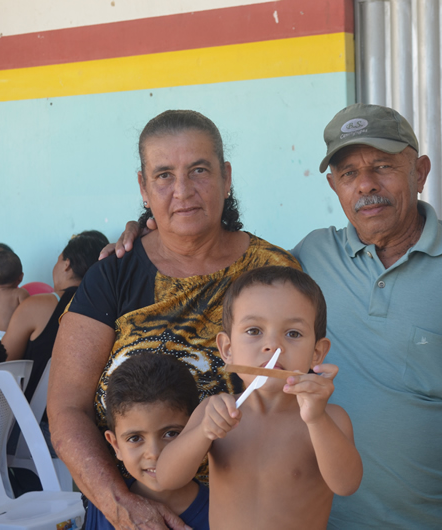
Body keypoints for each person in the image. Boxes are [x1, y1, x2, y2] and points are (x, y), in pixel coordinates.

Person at [109, 103, 442, 529]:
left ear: (420, 171)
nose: (366, 185)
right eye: (349, 173)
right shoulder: (309, 258)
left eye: (383, 166)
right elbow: (241, 281)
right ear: (333, 185)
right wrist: (148, 237)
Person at [48, 110, 300, 530]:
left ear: (226, 177)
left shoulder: (273, 273)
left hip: (245, 511)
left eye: (199, 170)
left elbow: (294, 403)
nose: (182, 191)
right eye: (164, 175)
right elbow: (66, 409)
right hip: (121, 511)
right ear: (143, 188)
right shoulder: (112, 275)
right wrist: (121, 506)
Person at [156, 266, 362, 528]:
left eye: (293, 333)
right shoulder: (214, 411)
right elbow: (167, 478)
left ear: (316, 353)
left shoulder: (330, 418)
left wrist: (317, 419)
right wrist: (203, 432)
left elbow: (347, 485)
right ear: (227, 349)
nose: (273, 346)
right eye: (254, 330)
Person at [85, 353, 209, 530]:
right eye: (135, 438)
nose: (154, 453)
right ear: (115, 445)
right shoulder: (103, 508)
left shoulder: (223, 508)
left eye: (171, 434)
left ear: (195, 431)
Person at [3, 230, 109, 402]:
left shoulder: (37, 306)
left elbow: (2, 362)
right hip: (86, 413)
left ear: (66, 264)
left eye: (58, 260)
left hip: (28, 415)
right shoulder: (109, 310)